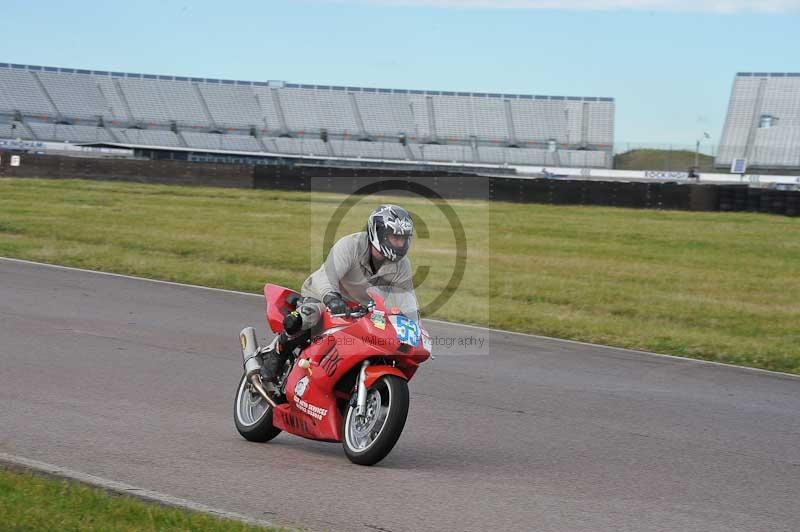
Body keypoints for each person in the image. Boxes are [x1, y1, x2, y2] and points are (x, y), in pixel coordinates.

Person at [259, 204, 416, 382]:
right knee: (308, 316)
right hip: (324, 297)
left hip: (362, 310)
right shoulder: (350, 245)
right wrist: (331, 298)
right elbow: (328, 276)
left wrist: (411, 322)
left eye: (404, 239)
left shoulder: (402, 265)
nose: (400, 244)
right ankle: (277, 353)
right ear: (379, 233)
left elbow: (406, 299)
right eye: (395, 237)